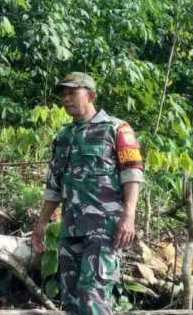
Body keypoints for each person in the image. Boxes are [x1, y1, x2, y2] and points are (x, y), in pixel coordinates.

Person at [31, 72, 145, 315]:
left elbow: (132, 174)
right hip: (70, 229)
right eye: (63, 94)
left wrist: (129, 216)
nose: (66, 98)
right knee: (71, 301)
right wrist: (41, 222)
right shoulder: (63, 137)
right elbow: (54, 185)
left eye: (72, 93)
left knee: (93, 297)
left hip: (103, 229)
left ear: (91, 95)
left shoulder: (116, 128)